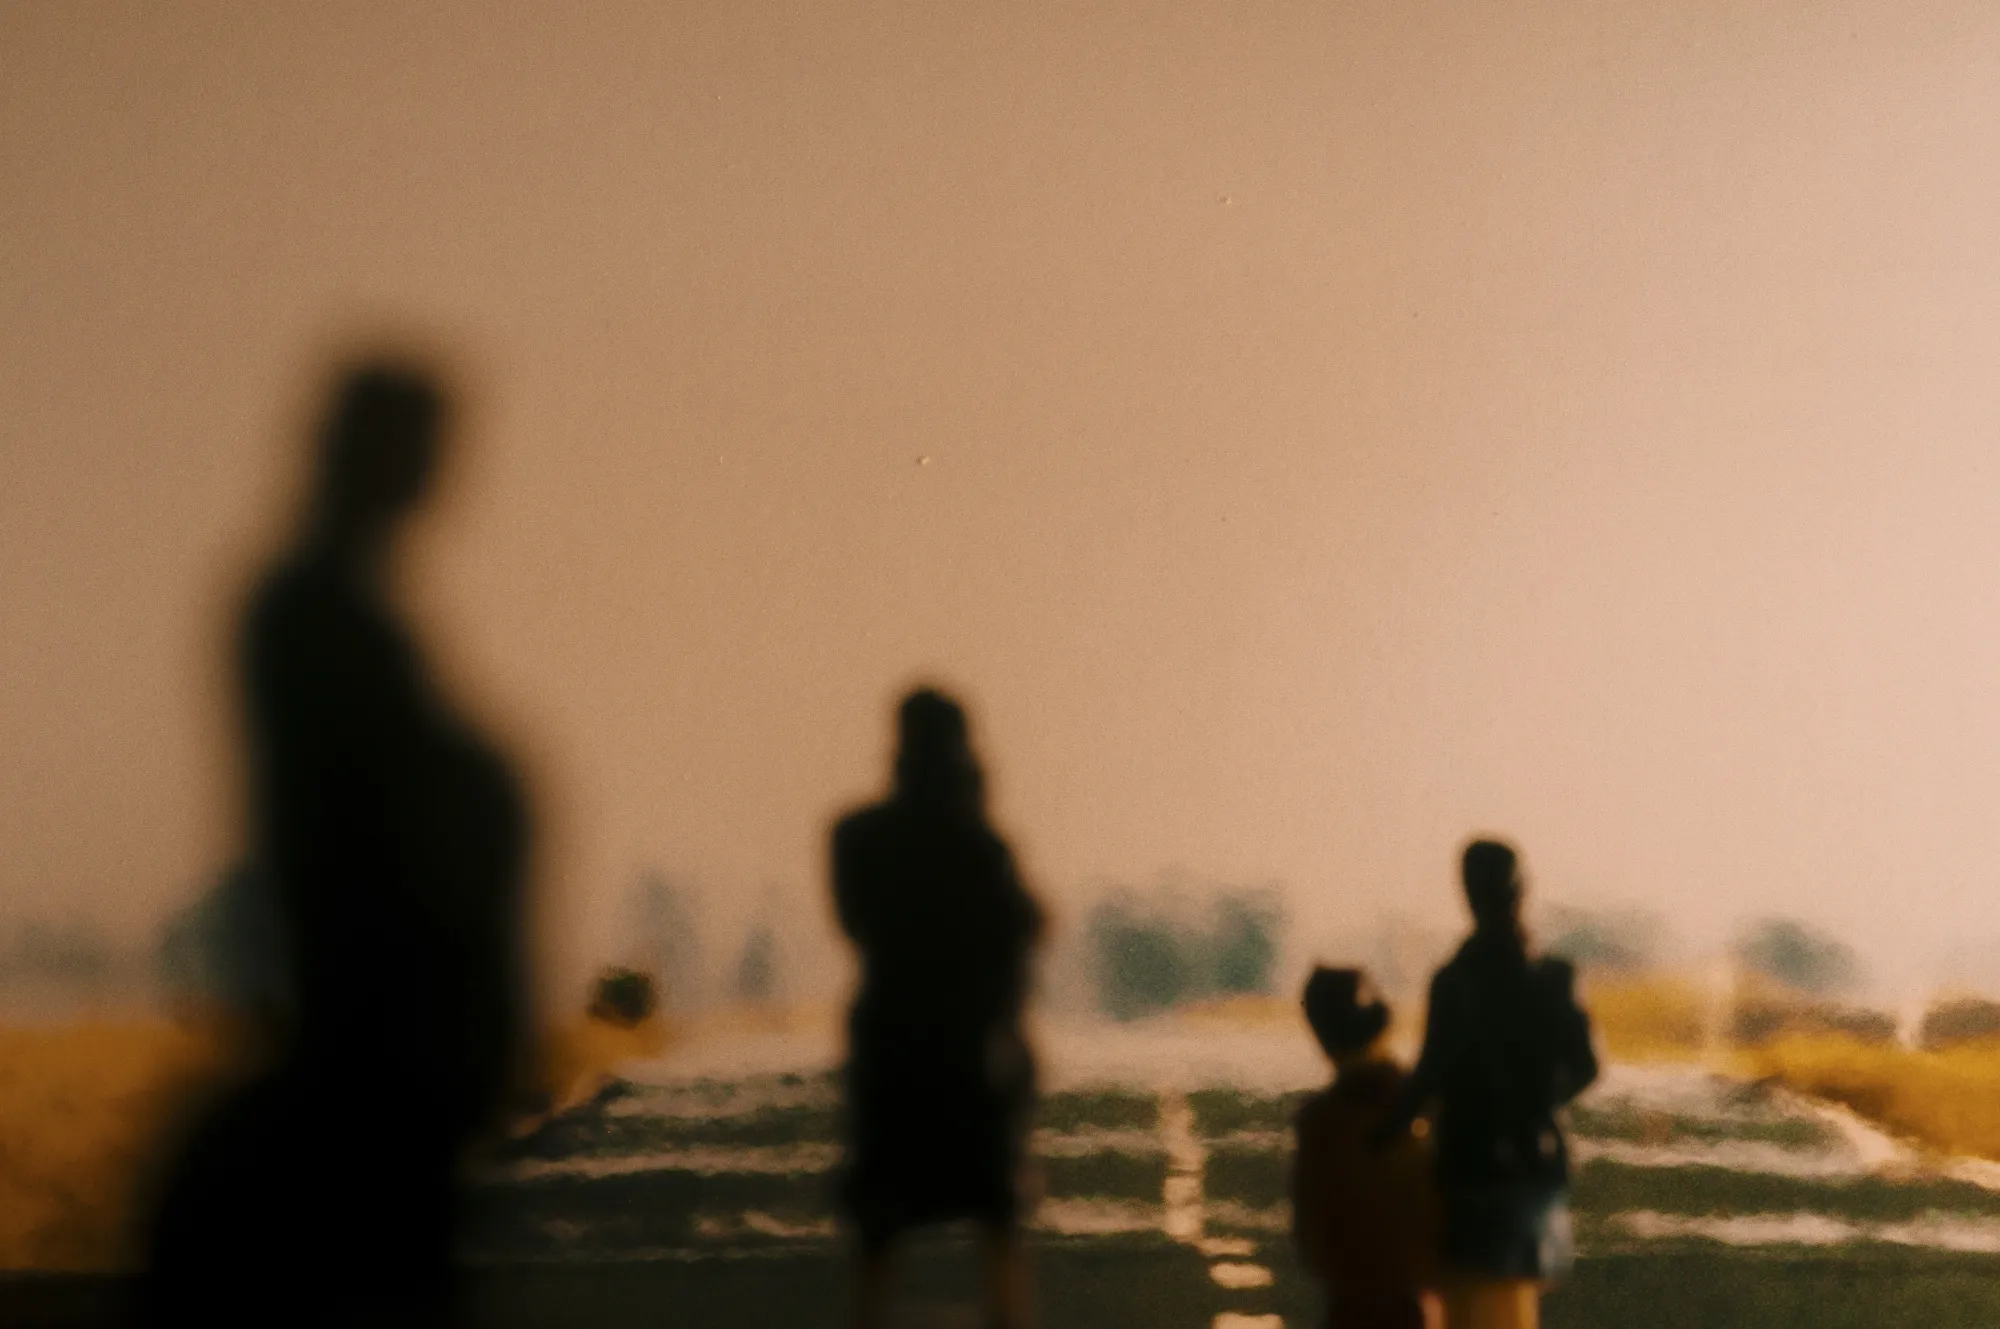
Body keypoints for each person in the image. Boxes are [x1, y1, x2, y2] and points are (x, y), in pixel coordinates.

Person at [144, 359, 531, 1328]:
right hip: (375, 1053)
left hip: (389, 1056)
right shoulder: (318, 619)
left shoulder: (336, 618)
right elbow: (370, 842)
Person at [831, 688, 1045, 1329]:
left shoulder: (857, 837)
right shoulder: (981, 848)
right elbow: (1018, 935)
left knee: (880, 1221)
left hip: (890, 1045)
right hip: (967, 1047)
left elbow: (854, 923)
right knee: (996, 1216)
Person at [1379, 839, 1597, 1329]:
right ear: (1521, 891)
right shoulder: (1554, 979)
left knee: (1470, 1308)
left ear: (1468, 895)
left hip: (1467, 1168)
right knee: (1516, 1305)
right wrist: (1536, 1104)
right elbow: (1586, 1065)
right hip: (1534, 1168)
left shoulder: (1454, 982)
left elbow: (1428, 1075)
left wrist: (1385, 1133)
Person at [1291, 967, 1439, 1329]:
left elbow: (1309, 1234)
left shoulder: (1319, 1124)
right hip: (1411, 1298)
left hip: (1348, 1302)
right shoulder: (1421, 1109)